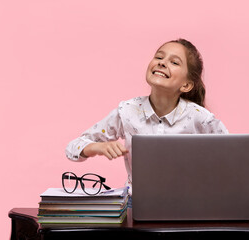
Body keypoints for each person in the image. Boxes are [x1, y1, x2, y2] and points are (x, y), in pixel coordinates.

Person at [65, 38, 229, 197]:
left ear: (186, 85)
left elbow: (231, 156)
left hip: (187, 203)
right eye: (159, 56)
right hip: (136, 204)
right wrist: (98, 147)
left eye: (174, 62)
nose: (162, 62)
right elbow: (72, 148)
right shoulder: (127, 111)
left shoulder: (200, 117)